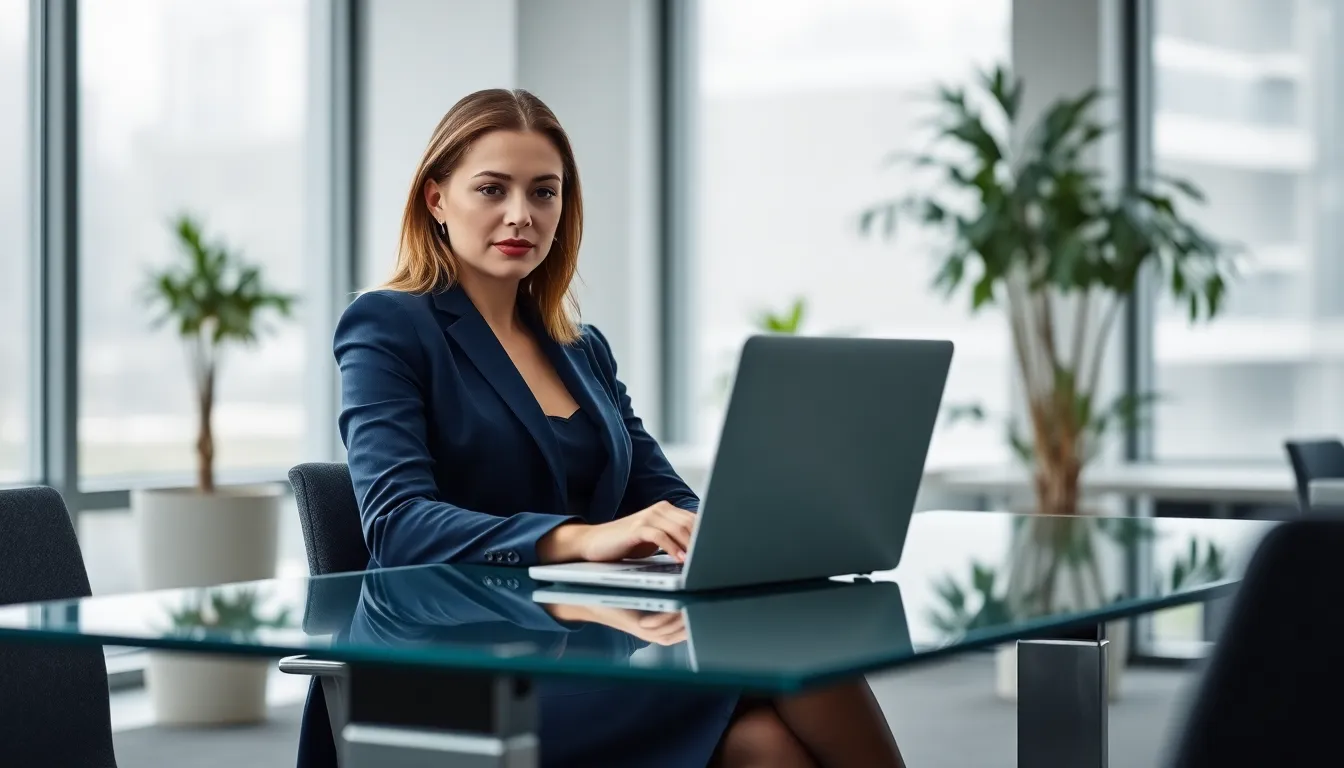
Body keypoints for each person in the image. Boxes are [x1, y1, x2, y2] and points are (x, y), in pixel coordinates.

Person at [323, 88, 907, 768]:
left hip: (591, 649)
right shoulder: (389, 324)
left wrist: (746, 538)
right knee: (798, 657)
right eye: (492, 189)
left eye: (545, 193)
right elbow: (397, 526)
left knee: (766, 742)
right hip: (457, 675)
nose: (521, 215)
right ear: (435, 200)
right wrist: (587, 540)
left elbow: (662, 495)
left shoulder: (580, 348)